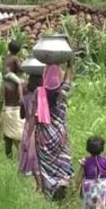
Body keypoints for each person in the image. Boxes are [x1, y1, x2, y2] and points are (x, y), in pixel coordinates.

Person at [35, 59, 74, 200]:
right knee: (63, 155)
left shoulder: (39, 94)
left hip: (44, 134)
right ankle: (62, 180)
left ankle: (50, 188)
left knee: (46, 162)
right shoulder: (62, 94)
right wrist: (69, 64)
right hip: (59, 133)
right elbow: (68, 79)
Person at [76, 136, 106, 209]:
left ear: (88, 148)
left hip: (89, 186)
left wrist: (77, 187)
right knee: (101, 207)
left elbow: (80, 176)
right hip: (101, 185)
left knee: (89, 206)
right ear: (102, 148)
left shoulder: (85, 161)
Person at [0, 41, 25, 158]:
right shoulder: (15, 58)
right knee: (20, 82)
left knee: (8, 137)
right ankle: (22, 159)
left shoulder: (7, 57)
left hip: (8, 111)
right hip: (16, 111)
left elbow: (0, 101)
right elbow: (21, 68)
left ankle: (9, 156)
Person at [19, 74, 43, 190]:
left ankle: (39, 185)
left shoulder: (26, 97)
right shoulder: (42, 97)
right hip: (42, 128)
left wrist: (21, 104)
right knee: (38, 156)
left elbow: (22, 116)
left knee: (32, 156)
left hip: (29, 128)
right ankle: (40, 184)